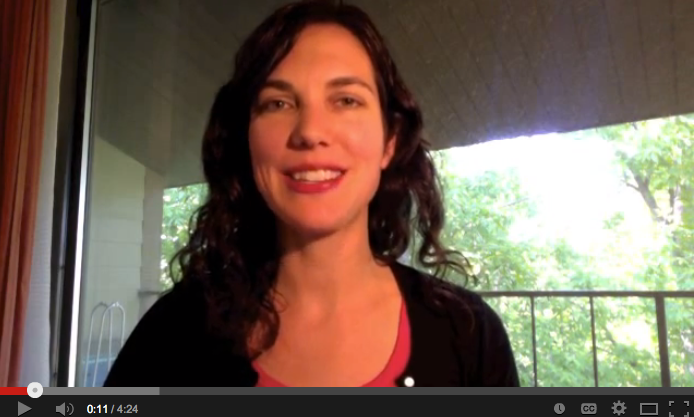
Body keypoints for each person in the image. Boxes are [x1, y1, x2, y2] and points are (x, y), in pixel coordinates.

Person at [104, 0, 519, 387]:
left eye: (346, 100)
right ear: (246, 141)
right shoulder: (176, 332)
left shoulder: (470, 336)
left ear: (390, 140)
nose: (310, 131)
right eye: (278, 103)